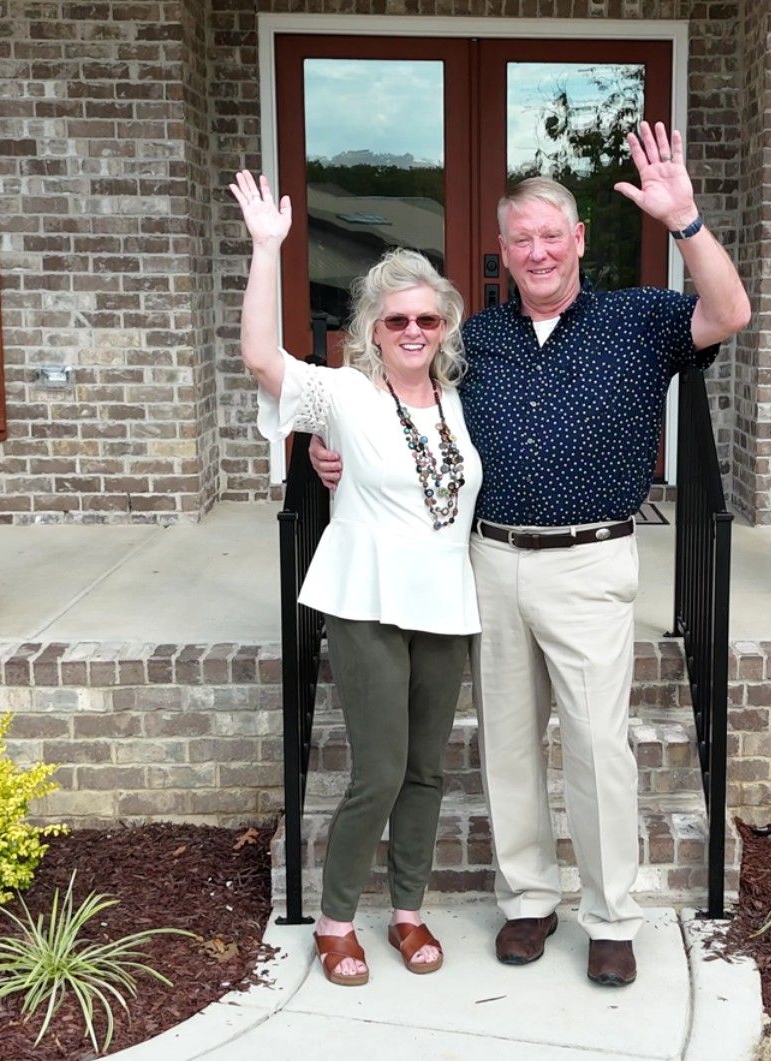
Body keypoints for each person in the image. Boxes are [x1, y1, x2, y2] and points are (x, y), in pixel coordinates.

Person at [312, 121, 751, 987]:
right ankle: (527, 902)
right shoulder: (475, 340)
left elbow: (729, 312)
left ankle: (611, 914)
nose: (539, 251)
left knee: (596, 745)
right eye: (522, 239)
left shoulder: (640, 318)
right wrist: (331, 450)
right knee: (506, 744)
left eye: (553, 235)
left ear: (578, 240)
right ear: (504, 252)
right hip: (489, 559)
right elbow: (394, 395)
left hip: (590, 560)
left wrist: (686, 221)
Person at [229, 170, 483, 986]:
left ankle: (408, 911)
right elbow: (259, 356)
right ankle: (337, 921)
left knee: (427, 769)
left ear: (444, 328)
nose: (412, 329)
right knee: (376, 769)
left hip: (445, 599)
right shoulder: (340, 392)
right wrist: (267, 248)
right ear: (372, 327)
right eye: (396, 317)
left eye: (427, 317)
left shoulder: (457, 400)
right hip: (367, 597)